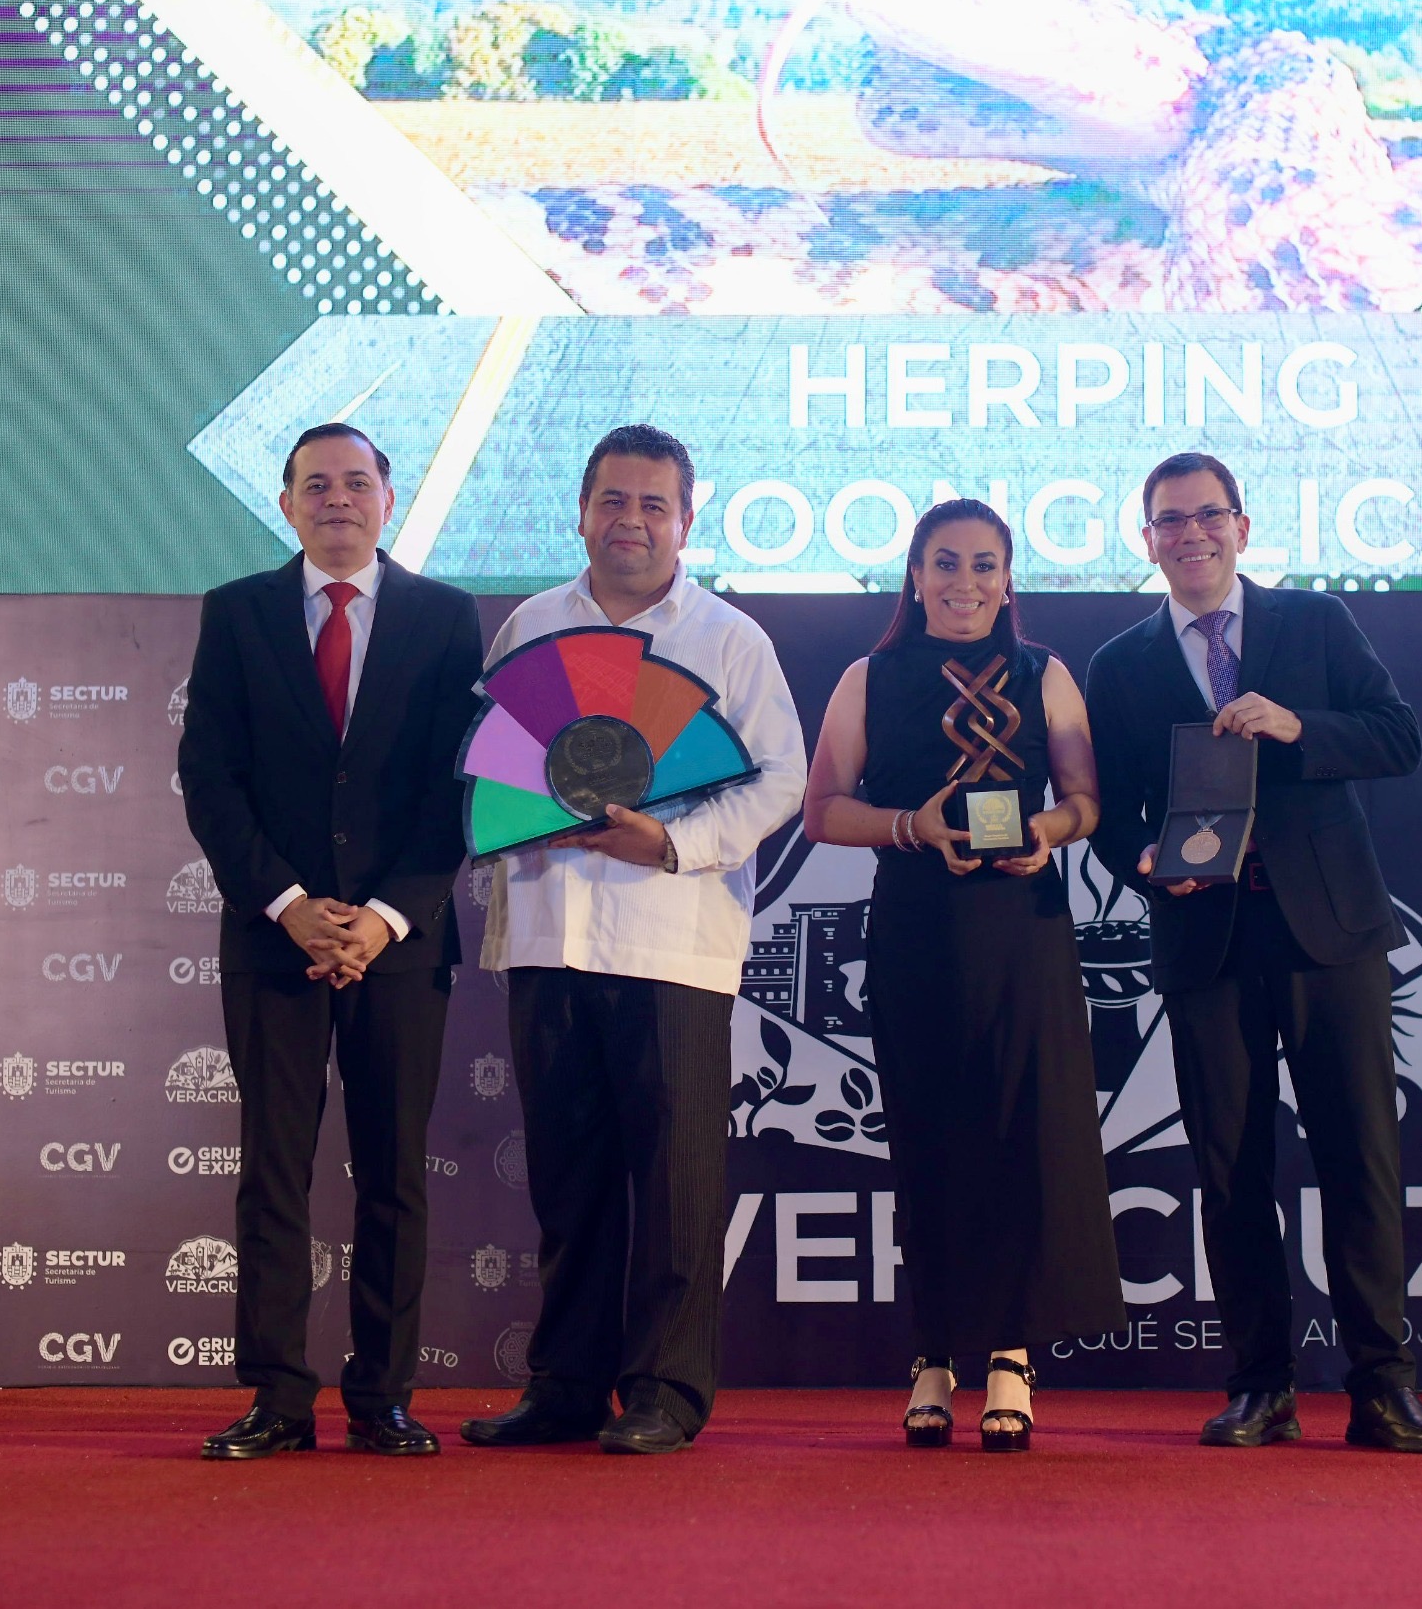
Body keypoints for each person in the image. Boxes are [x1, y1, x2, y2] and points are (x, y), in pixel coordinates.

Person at [1084, 452, 1422, 1454]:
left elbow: (1398, 737)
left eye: (1208, 515)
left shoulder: (1316, 622)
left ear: (1242, 528)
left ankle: (1383, 1387)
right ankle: (1260, 1385)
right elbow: (1109, 815)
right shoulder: (1118, 665)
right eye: (1170, 521)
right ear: (1147, 541)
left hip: (1328, 933)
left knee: (1360, 1158)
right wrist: (1146, 863)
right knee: (1230, 1169)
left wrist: (1296, 726)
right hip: (1204, 938)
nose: (1191, 534)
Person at [460, 423, 807, 1456]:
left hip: (672, 939)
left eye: (654, 504)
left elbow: (782, 777)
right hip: (546, 933)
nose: (632, 521)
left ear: (686, 521)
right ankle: (565, 1386)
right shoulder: (530, 624)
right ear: (581, 512)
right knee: (569, 1181)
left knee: (674, 1180)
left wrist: (674, 841)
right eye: (613, 500)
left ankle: (667, 1389)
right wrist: (513, 818)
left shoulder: (728, 637)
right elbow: (494, 766)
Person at [177, 422, 484, 1459]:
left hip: (400, 944)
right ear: (287, 503)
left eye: (357, 482)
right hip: (274, 940)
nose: (338, 499)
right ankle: (276, 1396)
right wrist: (290, 902)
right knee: (274, 1172)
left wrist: (384, 916)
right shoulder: (236, 613)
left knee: (393, 1174)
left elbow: (459, 784)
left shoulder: (446, 617)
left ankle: (383, 1396)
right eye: (318, 484)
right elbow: (210, 778)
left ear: (388, 500)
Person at [802, 499, 1125, 1451]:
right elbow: (822, 810)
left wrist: (1047, 832)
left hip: (1024, 931)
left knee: (1023, 1137)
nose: (965, 582)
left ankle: (1012, 1359)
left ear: (1009, 578)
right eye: (945, 562)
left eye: (985, 564)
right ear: (914, 575)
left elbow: (1086, 800)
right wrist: (912, 826)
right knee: (929, 1139)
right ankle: (935, 1356)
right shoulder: (866, 678)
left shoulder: (1046, 673)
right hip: (916, 931)